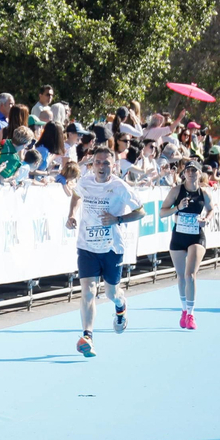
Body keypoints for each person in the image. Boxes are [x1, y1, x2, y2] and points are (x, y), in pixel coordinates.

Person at [66, 146, 142, 357]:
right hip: (87, 246)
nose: (101, 166)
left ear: (113, 166)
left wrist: (118, 219)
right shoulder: (85, 182)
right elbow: (76, 195)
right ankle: (87, 336)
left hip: (111, 248)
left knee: (111, 293)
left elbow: (140, 212)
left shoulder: (120, 187)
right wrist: (71, 215)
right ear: (92, 165)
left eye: (106, 163)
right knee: (88, 291)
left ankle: (121, 306)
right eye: (98, 162)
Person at [160, 162, 215, 329]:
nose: (191, 173)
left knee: (190, 274)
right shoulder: (176, 191)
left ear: (199, 173)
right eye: (188, 170)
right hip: (179, 236)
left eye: (194, 170)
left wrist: (206, 219)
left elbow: (211, 209)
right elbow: (162, 212)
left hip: (196, 236)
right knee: (181, 276)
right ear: (184, 173)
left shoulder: (204, 193)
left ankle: (191, 314)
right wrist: (178, 207)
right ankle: (184, 310)